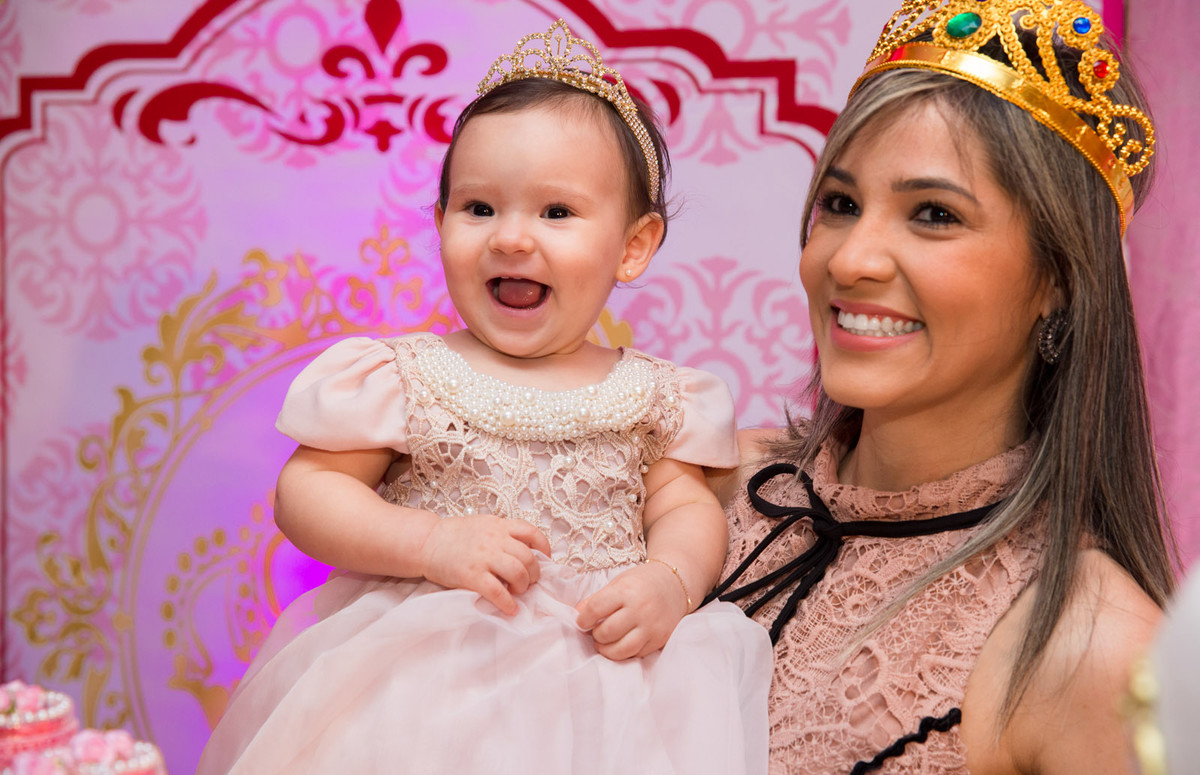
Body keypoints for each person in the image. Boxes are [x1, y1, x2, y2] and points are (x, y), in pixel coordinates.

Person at [196, 19, 771, 775]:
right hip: (423, 691)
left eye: (556, 212)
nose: (510, 238)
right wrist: (430, 543)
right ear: (438, 225)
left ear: (632, 246)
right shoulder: (408, 376)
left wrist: (670, 579)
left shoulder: (653, 395)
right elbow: (308, 490)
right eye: (479, 209)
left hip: (604, 694)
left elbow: (686, 508)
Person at [709, 0, 1177, 772]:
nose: (852, 258)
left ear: (1058, 278)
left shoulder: (1095, 651)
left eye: (933, 214)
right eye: (841, 203)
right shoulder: (713, 485)